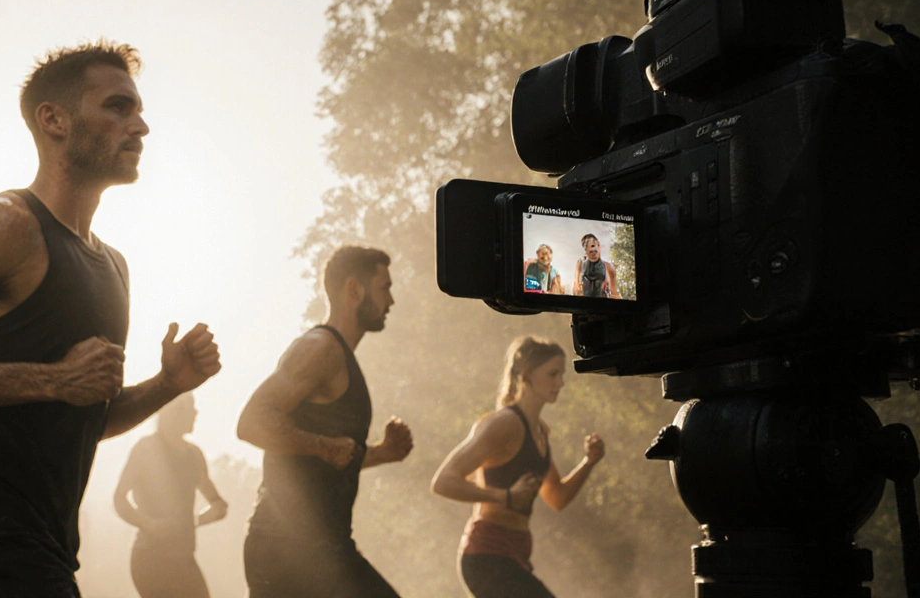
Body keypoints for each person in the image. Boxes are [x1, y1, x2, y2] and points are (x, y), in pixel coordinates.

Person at [0, 40, 222, 598]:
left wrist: (167, 385)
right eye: (118, 107)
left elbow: (81, 421)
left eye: (139, 110)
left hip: (43, 547)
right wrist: (52, 379)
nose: (140, 126)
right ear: (54, 120)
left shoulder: (113, 266)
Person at [237, 245, 414, 598]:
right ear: (354, 289)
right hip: (289, 549)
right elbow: (251, 421)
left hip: (323, 548)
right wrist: (323, 445)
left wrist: (382, 453)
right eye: (385, 288)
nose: (391, 301)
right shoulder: (321, 348)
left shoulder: (341, 358)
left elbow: (332, 460)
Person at [430, 336, 605, 598]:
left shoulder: (540, 431)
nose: (561, 383)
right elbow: (443, 481)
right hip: (486, 557)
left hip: (515, 556)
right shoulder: (504, 424)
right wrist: (503, 495)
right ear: (525, 375)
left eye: (562, 375)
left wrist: (589, 463)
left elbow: (556, 497)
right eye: (553, 374)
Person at [113, 393, 227, 598]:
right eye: (191, 407)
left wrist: (195, 521)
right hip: (150, 557)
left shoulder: (194, 456)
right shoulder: (146, 448)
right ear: (173, 411)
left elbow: (219, 505)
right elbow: (119, 498)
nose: (196, 413)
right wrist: (148, 524)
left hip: (184, 557)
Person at [573, 234, 620, 298]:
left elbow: (614, 293)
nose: (592, 249)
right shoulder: (580, 264)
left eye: (594, 245)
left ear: (598, 245)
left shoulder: (608, 267)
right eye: (587, 246)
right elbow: (576, 288)